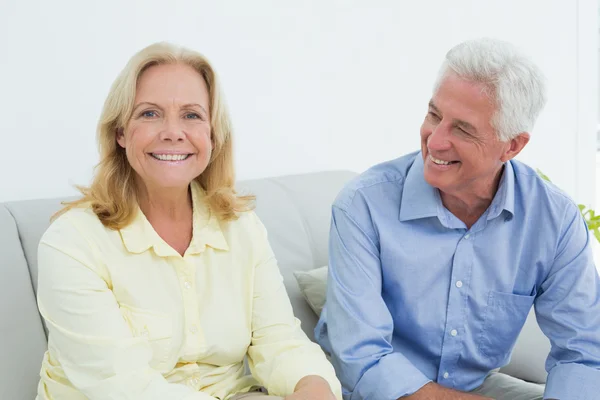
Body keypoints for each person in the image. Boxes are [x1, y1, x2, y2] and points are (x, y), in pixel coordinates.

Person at [36, 42, 341, 400]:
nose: (172, 131)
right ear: (120, 132)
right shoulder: (72, 242)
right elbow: (122, 386)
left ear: (213, 135)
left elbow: (279, 340)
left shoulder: (242, 228)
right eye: (149, 114)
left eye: (192, 115)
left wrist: (313, 386)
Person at [315, 38, 600, 400]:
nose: (435, 141)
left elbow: (584, 353)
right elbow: (363, 359)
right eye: (434, 115)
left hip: (473, 388)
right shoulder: (363, 205)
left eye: (462, 129)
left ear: (512, 146)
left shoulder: (553, 221)